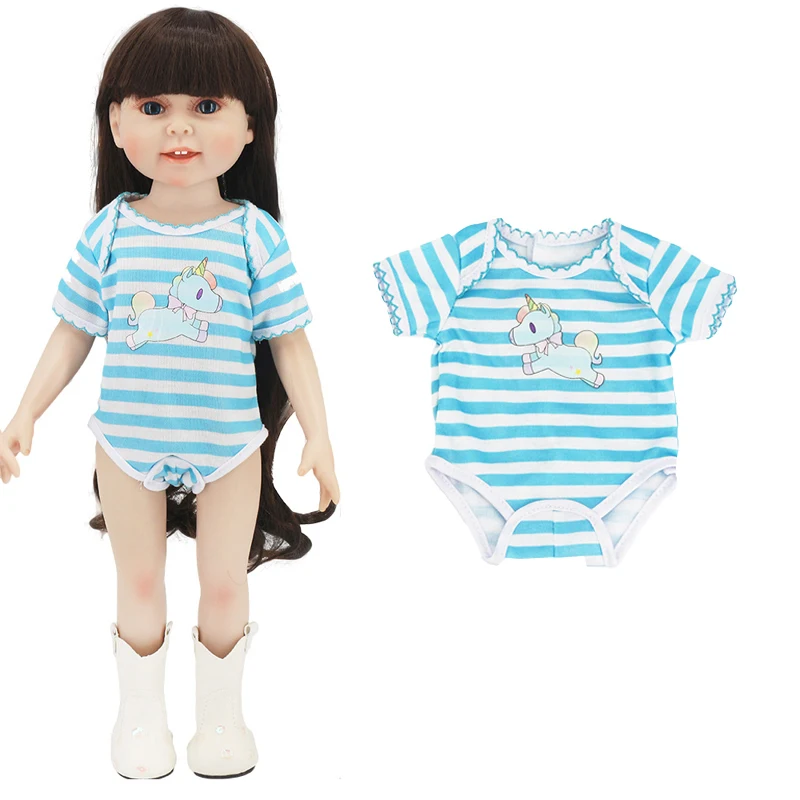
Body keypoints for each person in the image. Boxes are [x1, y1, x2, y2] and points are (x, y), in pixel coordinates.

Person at [0, 7, 340, 780]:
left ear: (251, 128)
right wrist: (24, 411)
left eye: (207, 105)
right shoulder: (111, 232)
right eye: (154, 106)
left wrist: (319, 433)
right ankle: (141, 717)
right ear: (115, 122)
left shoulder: (253, 235)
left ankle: (220, 719)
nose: (179, 127)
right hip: (127, 438)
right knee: (139, 579)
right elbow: (73, 330)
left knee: (223, 581)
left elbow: (289, 340)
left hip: (229, 440)